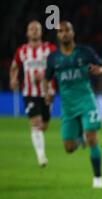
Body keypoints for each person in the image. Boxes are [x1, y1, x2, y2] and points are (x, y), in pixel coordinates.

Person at [45, 21, 102, 188]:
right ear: (57, 35)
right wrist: (48, 93)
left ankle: (98, 178)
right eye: (60, 31)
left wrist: (99, 71)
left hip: (86, 101)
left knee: (92, 138)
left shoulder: (85, 53)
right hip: (68, 106)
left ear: (73, 33)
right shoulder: (53, 58)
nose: (64, 33)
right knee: (69, 148)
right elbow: (46, 78)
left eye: (67, 30)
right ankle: (79, 138)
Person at [9, 21, 56, 167]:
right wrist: (13, 78)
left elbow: (58, 66)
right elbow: (14, 66)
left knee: (44, 125)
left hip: (47, 92)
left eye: (37, 29)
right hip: (29, 92)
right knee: (35, 124)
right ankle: (41, 157)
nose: (34, 31)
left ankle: (40, 147)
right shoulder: (22, 50)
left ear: (41, 32)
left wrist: (45, 75)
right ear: (27, 33)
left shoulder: (50, 49)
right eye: (31, 29)